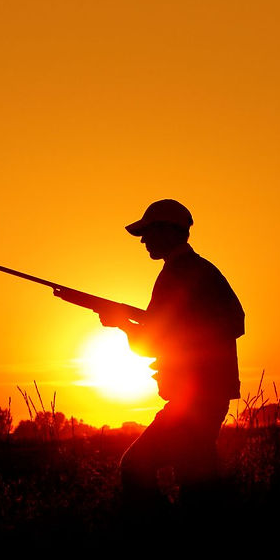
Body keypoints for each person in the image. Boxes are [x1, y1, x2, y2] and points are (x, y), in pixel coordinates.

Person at [97, 199, 245, 514]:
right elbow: (162, 336)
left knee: (138, 468)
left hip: (196, 401)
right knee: (195, 482)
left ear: (167, 231)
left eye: (148, 232)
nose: (143, 240)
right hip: (197, 398)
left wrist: (122, 323)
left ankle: (158, 539)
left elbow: (158, 341)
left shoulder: (183, 273)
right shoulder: (193, 271)